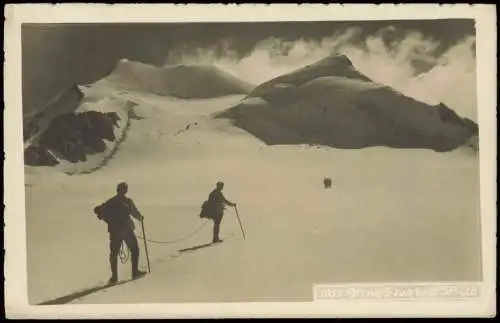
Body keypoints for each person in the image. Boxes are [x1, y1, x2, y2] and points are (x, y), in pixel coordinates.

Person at [94, 182, 146, 284]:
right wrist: (140, 217)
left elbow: (99, 211)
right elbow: (134, 212)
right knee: (134, 249)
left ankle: (114, 277)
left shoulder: (111, 202)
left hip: (115, 231)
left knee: (114, 253)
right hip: (126, 230)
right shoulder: (127, 201)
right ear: (124, 190)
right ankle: (134, 272)